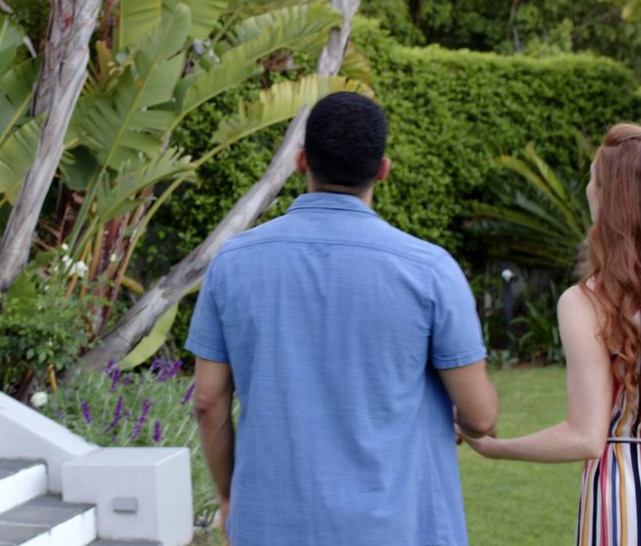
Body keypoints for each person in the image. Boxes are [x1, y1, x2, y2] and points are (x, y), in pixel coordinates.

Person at [188, 91, 499, 545]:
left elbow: (207, 401)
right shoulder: (430, 271)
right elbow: (480, 415)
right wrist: (463, 420)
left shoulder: (232, 264)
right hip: (396, 530)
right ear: (383, 170)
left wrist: (228, 494)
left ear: (301, 162)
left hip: (271, 526)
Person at [461, 124, 641, 545]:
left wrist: (493, 447)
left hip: (626, 503)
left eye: (594, 179)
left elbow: (585, 437)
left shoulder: (589, 302)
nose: (587, 189)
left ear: (615, 201)